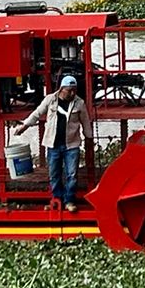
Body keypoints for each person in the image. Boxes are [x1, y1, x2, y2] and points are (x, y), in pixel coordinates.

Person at [14, 74, 91, 212]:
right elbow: (37, 113)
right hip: (52, 144)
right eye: (69, 90)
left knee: (72, 174)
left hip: (71, 144)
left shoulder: (79, 103)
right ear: (62, 89)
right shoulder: (50, 100)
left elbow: (85, 122)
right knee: (54, 174)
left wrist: (89, 138)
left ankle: (69, 201)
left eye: (74, 90)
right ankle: (57, 200)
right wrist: (24, 126)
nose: (72, 93)